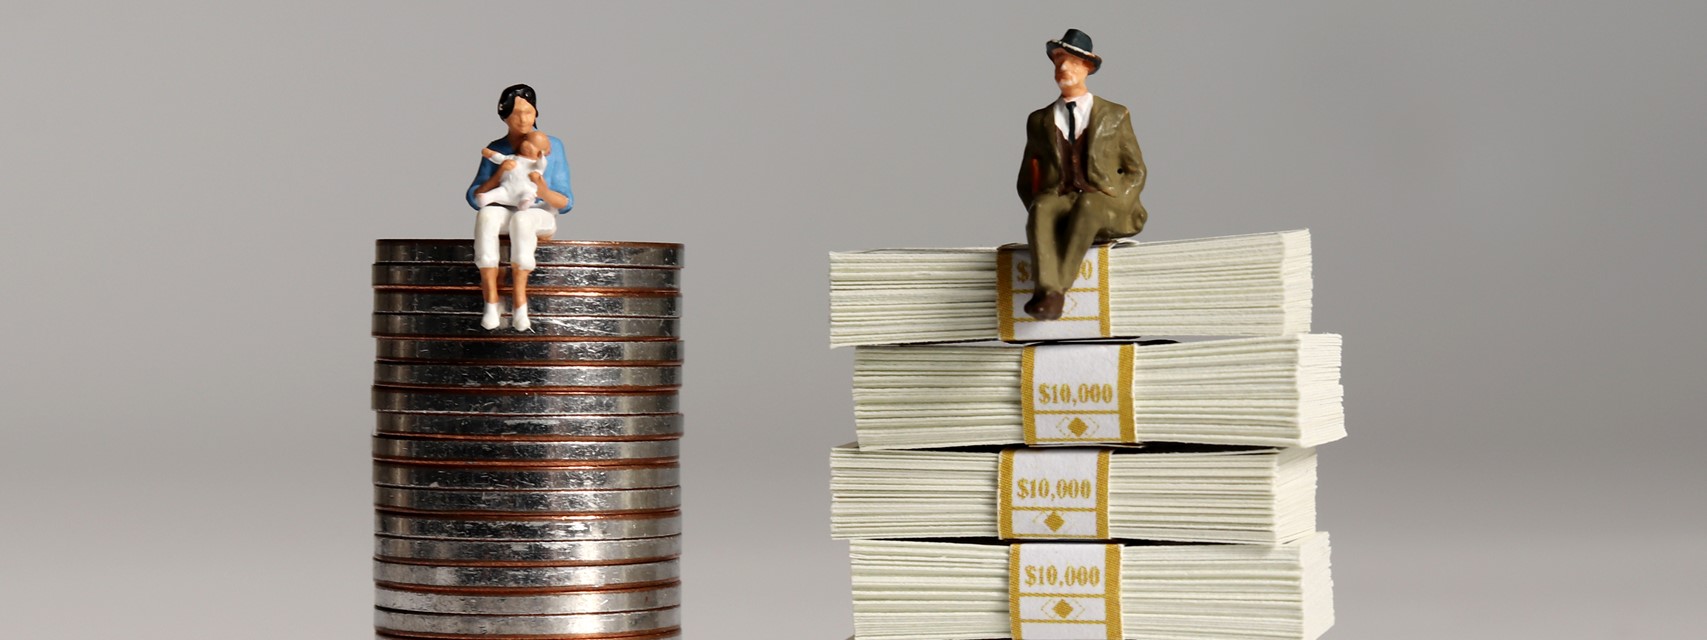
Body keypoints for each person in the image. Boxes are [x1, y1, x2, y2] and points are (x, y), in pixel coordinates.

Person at [1016, 29, 1148, 320]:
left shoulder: (1115, 114)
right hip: (1061, 195)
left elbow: (1136, 170)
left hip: (1104, 198)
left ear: (1088, 68)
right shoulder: (1039, 120)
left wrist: (1119, 199)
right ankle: (1049, 288)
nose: (1064, 68)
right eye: (1059, 61)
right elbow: (1027, 175)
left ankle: (1054, 292)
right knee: (1042, 209)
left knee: (1089, 205)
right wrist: (1046, 213)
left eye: (1073, 62)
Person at [467, 84, 574, 331]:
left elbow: (566, 201)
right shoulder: (499, 148)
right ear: (504, 116)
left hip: (539, 213)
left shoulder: (551, 146)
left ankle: (520, 303)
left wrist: (542, 189)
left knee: (522, 220)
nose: (523, 119)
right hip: (505, 204)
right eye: (515, 113)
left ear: (536, 112)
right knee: (486, 215)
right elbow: (475, 196)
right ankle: (491, 301)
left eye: (528, 112)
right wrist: (499, 174)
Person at [476, 130, 552, 210]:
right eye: (526, 140)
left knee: (528, 194)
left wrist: (541, 158)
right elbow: (500, 158)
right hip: (506, 188)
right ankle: (485, 198)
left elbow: (542, 164)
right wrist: (490, 154)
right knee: (498, 192)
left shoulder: (535, 165)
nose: (527, 145)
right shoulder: (513, 158)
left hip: (524, 191)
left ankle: (524, 202)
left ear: (542, 152)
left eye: (534, 145)